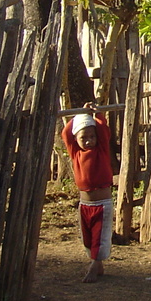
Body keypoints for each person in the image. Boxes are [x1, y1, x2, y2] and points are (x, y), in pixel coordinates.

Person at [61, 103, 115, 282]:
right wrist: (78, 114)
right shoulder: (75, 154)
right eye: (83, 138)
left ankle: (94, 264)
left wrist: (97, 114)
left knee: (100, 236)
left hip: (103, 204)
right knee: (88, 236)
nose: (88, 141)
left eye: (92, 137)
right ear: (76, 140)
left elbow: (103, 130)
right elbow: (66, 134)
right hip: (85, 204)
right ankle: (97, 264)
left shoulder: (101, 150)